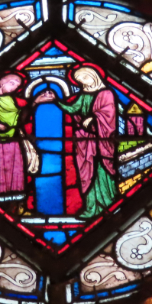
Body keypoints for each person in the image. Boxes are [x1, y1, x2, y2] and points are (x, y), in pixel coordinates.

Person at [37, 65, 118, 219]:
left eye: (85, 78)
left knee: (102, 172)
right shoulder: (84, 94)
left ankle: (109, 204)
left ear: (94, 76)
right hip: (84, 141)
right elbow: (74, 108)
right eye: (80, 81)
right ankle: (91, 207)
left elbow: (109, 115)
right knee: (86, 174)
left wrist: (94, 119)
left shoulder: (106, 93)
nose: (84, 83)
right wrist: (57, 101)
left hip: (101, 143)